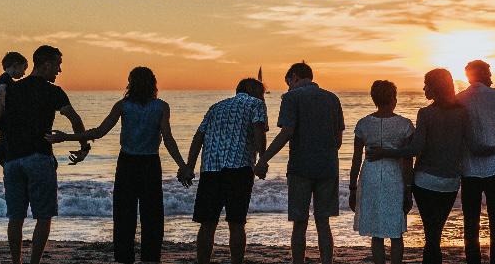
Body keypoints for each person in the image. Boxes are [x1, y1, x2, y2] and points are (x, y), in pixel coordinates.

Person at [46, 66, 189, 263]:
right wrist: (183, 165)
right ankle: (151, 258)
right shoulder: (161, 106)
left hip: (128, 164)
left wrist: (67, 137)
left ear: (131, 84)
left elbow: (99, 132)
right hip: (150, 164)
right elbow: (168, 139)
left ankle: (124, 258)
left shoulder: (123, 105)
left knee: (124, 215)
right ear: (153, 84)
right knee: (153, 216)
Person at [368, 68, 495, 264]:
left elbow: (414, 149)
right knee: (435, 234)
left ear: (435, 87)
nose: (424, 88)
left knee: (431, 236)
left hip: (424, 182)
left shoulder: (425, 113)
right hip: (449, 183)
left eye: (427, 84)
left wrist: (386, 152)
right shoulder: (462, 113)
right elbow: (476, 148)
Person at [0, 45, 91, 264]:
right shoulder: (53, 91)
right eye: (58, 65)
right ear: (46, 64)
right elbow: (74, 117)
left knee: (15, 218)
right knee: (43, 217)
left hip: (13, 161)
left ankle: (17, 262)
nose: (59, 70)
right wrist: (83, 147)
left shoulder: (9, 88)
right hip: (38, 158)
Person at [263, 62, 345, 264]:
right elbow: (339, 140)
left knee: (300, 223)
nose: (288, 87)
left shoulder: (291, 98)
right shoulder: (332, 98)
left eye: (288, 82)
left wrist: (263, 158)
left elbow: (286, 133)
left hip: (300, 167)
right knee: (323, 222)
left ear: (295, 77)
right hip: (328, 166)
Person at [183, 78, 268, 264]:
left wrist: (189, 166)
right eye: (261, 92)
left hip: (210, 169)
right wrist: (262, 159)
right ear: (254, 91)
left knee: (207, 224)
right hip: (239, 168)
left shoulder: (216, 107)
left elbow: (198, 137)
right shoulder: (257, 104)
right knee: (236, 223)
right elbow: (258, 131)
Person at [457, 60, 495, 264]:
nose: (491, 75)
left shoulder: (459, 99)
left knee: (470, 223)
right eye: (489, 72)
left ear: (468, 76)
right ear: (485, 74)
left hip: (469, 169)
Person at [348, 80, 414, 264]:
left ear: (373, 99)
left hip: (371, 176)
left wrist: (352, 189)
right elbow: (408, 159)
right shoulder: (405, 125)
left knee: (376, 232)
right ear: (393, 98)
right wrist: (409, 189)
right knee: (396, 231)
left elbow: (355, 160)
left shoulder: (363, 124)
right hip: (395, 176)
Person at [0, 51, 29, 175]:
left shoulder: (6, 79)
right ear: (15, 65)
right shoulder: (5, 78)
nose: (24, 73)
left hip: (3, 114)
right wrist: (7, 107)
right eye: (24, 68)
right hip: (2, 114)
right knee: (7, 136)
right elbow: (2, 92)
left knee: (6, 136)